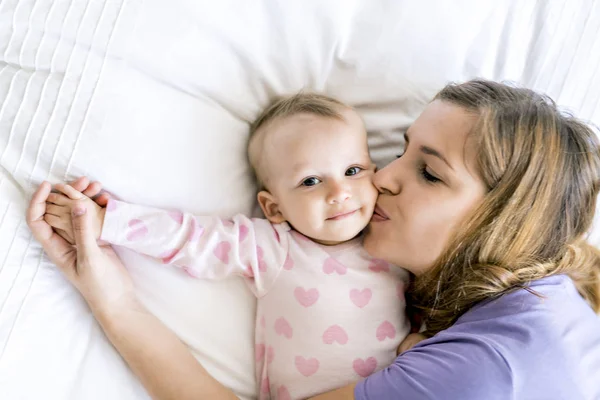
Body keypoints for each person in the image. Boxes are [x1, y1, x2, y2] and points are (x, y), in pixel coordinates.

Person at [27, 79, 600, 400]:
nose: (380, 178)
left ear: (503, 220)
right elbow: (201, 239)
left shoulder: (483, 370)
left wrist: (113, 298)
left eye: (428, 172)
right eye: (397, 152)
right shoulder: (538, 313)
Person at [39, 93, 410, 399]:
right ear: (274, 207)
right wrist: (109, 221)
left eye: (353, 170)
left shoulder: (395, 247)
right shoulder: (274, 247)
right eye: (311, 180)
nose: (339, 193)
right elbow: (189, 238)